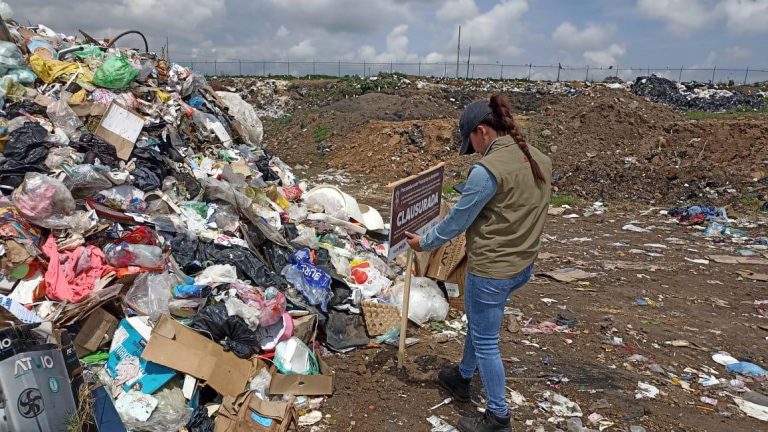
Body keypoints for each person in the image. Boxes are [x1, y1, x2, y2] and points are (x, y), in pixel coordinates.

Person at [405, 94, 552, 432]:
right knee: (480, 325)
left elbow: (456, 221)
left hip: (491, 271)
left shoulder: (487, 172)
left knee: (487, 341)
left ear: (482, 131)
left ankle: (498, 417)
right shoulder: (538, 158)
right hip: (521, 264)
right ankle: (462, 377)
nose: (473, 152)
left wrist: (423, 242)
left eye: (471, 143)